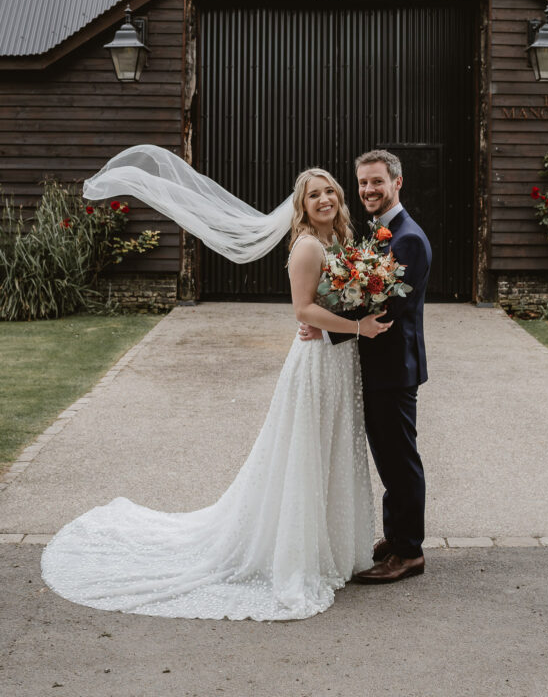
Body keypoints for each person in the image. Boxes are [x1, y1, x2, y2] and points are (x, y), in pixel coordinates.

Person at [41, 167, 391, 621]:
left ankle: (333, 548)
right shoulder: (307, 246)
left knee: (332, 449)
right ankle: (296, 553)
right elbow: (302, 310)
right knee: (306, 452)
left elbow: (338, 300)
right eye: (313, 196)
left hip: (340, 363)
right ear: (301, 206)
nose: (324, 200)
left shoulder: (342, 243)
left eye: (329, 192)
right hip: (316, 365)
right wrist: (358, 327)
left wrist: (357, 315)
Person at [300, 149, 431, 583]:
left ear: (397, 182)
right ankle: (397, 537)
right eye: (362, 183)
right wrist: (325, 321)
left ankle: (409, 552)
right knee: (390, 459)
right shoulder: (381, 232)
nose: (368, 190)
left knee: (399, 462)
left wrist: (328, 328)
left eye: (377, 182)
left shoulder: (406, 237)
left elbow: (388, 310)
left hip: (393, 368)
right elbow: (363, 295)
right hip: (377, 367)